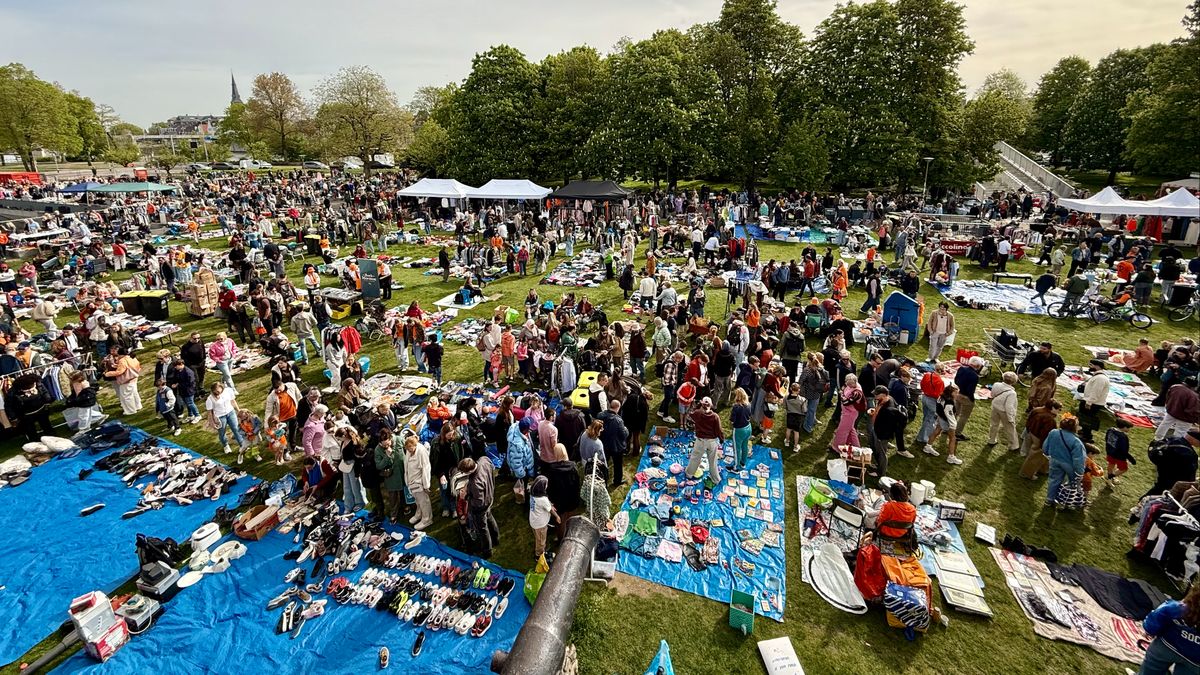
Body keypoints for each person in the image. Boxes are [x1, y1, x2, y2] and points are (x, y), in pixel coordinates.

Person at [1139, 583, 1200, 675]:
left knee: (1150, 669)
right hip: (1195, 660)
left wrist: (1149, 630)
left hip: (1166, 645)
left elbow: (1159, 614)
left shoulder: (1178, 608)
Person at [1142, 431, 1200, 501]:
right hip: (1173, 477)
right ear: (1193, 439)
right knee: (1161, 491)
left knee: (1159, 487)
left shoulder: (1173, 439)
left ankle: (1143, 501)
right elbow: (1190, 472)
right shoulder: (1188, 453)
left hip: (1162, 468)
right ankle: (1144, 502)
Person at [461, 456, 500, 558]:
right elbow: (492, 466)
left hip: (481, 507)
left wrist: (465, 496)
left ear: (469, 471)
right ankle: (496, 539)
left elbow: (478, 502)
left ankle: (487, 551)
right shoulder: (484, 460)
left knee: (483, 529)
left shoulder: (475, 482)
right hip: (490, 496)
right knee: (490, 517)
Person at [543, 443, 581, 541]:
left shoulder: (551, 470)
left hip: (559, 502)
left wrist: (551, 501)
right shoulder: (573, 466)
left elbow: (550, 488)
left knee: (560, 523)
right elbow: (577, 484)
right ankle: (573, 538)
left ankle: (561, 540)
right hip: (572, 499)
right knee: (572, 521)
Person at [1044, 416, 1086, 507]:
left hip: (1054, 460)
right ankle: (1063, 502)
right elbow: (1078, 459)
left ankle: (1049, 500)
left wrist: (1047, 455)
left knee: (1054, 480)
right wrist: (1080, 473)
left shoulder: (1053, 432)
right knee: (1070, 484)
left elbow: (1045, 446)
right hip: (1068, 465)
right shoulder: (1076, 442)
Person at [869, 385, 908, 475]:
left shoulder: (889, 410)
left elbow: (888, 426)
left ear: (883, 395)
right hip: (876, 429)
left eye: (876, 394)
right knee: (875, 449)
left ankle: (880, 473)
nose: (875, 396)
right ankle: (877, 464)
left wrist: (880, 437)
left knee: (882, 453)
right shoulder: (886, 399)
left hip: (881, 435)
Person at [686, 397, 724, 486]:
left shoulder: (698, 413)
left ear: (702, 404)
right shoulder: (715, 416)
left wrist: (698, 405)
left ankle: (689, 474)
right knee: (713, 461)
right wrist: (721, 439)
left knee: (695, 458)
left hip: (700, 441)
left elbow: (690, 413)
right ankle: (716, 479)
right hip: (712, 442)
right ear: (711, 405)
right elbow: (719, 430)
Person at [1019, 400, 1061, 479]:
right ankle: (1026, 473)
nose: (1059, 411)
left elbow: (1028, 420)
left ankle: (1044, 470)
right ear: (1052, 408)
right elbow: (1046, 434)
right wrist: (1044, 445)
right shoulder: (1050, 419)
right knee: (1035, 457)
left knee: (1039, 456)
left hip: (1031, 433)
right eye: (1058, 409)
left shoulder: (1037, 410)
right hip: (1039, 439)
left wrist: (1028, 430)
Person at [924, 383, 961, 465]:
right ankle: (951, 457)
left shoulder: (941, 396)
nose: (957, 394)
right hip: (946, 420)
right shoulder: (949, 402)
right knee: (953, 438)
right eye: (955, 392)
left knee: (937, 431)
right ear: (950, 392)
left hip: (940, 417)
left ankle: (928, 447)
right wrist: (953, 425)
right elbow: (950, 415)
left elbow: (939, 407)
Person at [334, 427, 369, 514]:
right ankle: (348, 505)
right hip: (345, 466)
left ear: (343, 435)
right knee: (346, 487)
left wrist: (357, 473)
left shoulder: (353, 444)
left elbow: (358, 459)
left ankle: (360, 503)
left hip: (353, 466)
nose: (338, 440)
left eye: (339, 438)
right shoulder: (343, 442)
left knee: (355, 486)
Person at [206, 382, 246, 454]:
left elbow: (233, 401)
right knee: (222, 432)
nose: (219, 393)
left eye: (220, 391)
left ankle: (242, 445)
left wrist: (239, 411)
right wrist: (212, 423)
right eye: (217, 392)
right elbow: (209, 412)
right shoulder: (210, 399)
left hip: (231, 412)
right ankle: (225, 445)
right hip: (220, 416)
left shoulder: (228, 391)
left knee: (236, 429)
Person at [403, 435, 433, 530]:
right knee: (417, 500)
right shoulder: (409, 450)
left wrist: (426, 484)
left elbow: (426, 468)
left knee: (424, 501)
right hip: (412, 482)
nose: (409, 450)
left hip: (419, 482)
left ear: (415, 445)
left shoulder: (421, 451)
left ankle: (427, 519)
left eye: (410, 448)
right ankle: (419, 513)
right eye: (407, 448)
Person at [1158, 377, 1200, 441]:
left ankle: (1157, 438)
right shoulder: (1194, 396)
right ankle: (1174, 444)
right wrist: (1195, 419)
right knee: (1180, 432)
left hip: (1172, 412)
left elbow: (1168, 397)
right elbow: (1193, 410)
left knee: (1164, 424)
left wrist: (1169, 406)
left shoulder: (1174, 387)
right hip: (1185, 418)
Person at [1078, 359, 1110, 443]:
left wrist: (1089, 402)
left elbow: (1096, 392)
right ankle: (1084, 432)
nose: (1089, 367)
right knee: (1084, 418)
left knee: (1087, 420)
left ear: (1097, 366)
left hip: (1093, 403)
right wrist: (1082, 374)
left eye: (1091, 365)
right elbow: (1090, 380)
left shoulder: (1100, 378)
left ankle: (1087, 436)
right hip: (1092, 401)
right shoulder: (1098, 376)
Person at [915, 364, 946, 447]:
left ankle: (923, 434)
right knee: (930, 419)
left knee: (926, 417)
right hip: (932, 400)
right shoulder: (940, 381)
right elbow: (939, 394)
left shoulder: (927, 375)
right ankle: (923, 438)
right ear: (942, 371)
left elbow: (921, 385)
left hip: (924, 397)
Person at [104, 346, 142, 415]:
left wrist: (108, 374)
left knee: (126, 396)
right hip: (134, 378)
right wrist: (116, 366)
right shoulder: (132, 357)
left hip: (126, 380)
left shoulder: (122, 361)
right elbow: (136, 366)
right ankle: (138, 406)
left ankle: (130, 411)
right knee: (134, 393)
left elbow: (119, 372)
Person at [987, 372, 1020, 452]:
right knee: (1010, 428)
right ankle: (1014, 445)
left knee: (994, 424)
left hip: (995, 407)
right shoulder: (1012, 393)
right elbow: (1009, 407)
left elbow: (992, 394)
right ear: (1013, 382)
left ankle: (991, 440)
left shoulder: (996, 384)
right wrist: (1011, 418)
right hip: (1004, 412)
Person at [599, 400, 629, 487]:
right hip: (616, 446)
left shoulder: (600, 415)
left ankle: (602, 480)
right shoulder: (618, 420)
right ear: (618, 407)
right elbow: (624, 435)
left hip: (604, 444)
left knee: (604, 463)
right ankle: (617, 481)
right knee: (618, 465)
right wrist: (626, 430)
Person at [954, 356, 984, 440]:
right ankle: (957, 433)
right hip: (966, 397)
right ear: (978, 366)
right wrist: (972, 399)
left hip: (958, 393)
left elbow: (956, 380)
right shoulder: (975, 376)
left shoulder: (961, 369)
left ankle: (947, 428)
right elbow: (970, 390)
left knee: (955, 412)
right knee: (964, 416)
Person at [528, 476, 557, 559]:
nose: (547, 485)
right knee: (541, 541)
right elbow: (550, 510)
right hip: (540, 524)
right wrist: (557, 517)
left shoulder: (533, 493)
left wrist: (549, 504)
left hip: (534, 521)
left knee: (538, 538)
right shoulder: (542, 499)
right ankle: (539, 556)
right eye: (546, 484)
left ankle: (541, 552)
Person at [832, 374, 864, 450]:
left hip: (850, 414)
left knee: (842, 430)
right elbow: (843, 388)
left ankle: (837, 448)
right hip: (846, 412)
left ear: (855, 382)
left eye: (850, 384)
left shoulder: (857, 393)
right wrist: (842, 394)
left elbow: (846, 402)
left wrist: (841, 395)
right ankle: (856, 447)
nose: (848, 385)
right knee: (850, 430)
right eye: (848, 384)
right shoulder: (849, 385)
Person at [507, 416, 535, 501]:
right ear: (525, 429)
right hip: (523, 469)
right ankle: (522, 499)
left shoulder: (517, 427)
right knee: (522, 486)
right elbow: (516, 462)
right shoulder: (517, 445)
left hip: (526, 466)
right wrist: (521, 475)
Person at [1104, 418, 1136, 485]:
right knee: (1123, 468)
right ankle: (1109, 477)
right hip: (1119, 456)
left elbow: (1106, 439)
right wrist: (1130, 458)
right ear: (1124, 427)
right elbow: (1124, 449)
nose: (1129, 430)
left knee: (1111, 464)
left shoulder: (1110, 430)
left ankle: (1109, 477)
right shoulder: (1123, 437)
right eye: (1128, 428)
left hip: (1110, 451)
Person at [782, 383, 806, 454]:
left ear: (791, 389)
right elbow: (804, 410)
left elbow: (784, 406)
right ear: (799, 390)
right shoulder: (802, 399)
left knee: (788, 429)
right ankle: (795, 447)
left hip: (790, 415)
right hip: (798, 417)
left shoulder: (786, 397)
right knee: (796, 432)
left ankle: (787, 442)